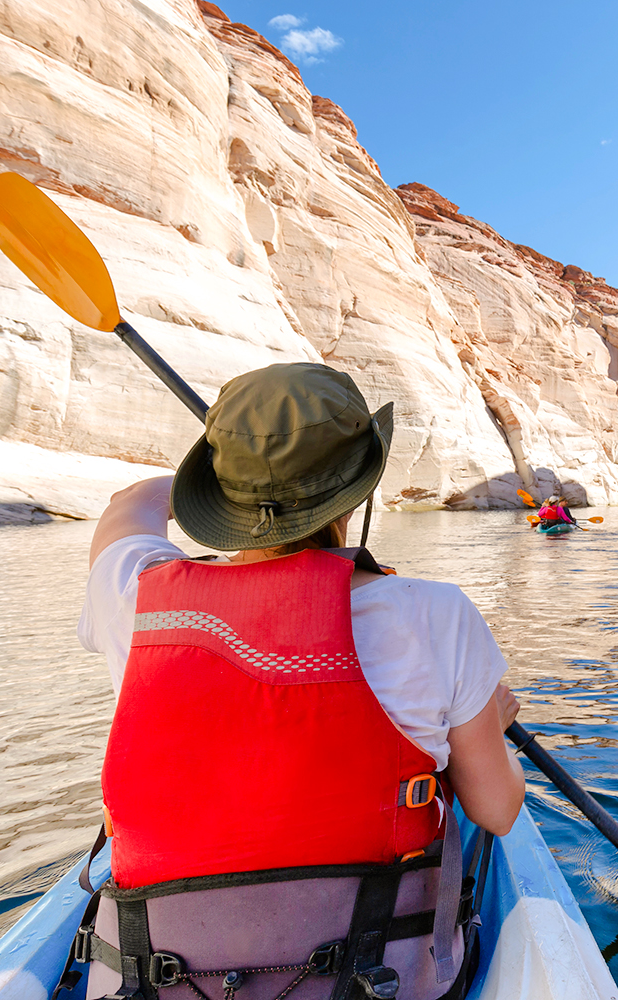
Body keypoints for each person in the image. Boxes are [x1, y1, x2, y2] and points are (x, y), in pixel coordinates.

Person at [75, 363, 522, 1000]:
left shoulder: (138, 599)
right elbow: (497, 811)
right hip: (376, 980)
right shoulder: (436, 613)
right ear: (360, 492)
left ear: (215, 493)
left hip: (153, 981)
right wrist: (488, 733)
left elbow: (131, 506)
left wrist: (233, 468)